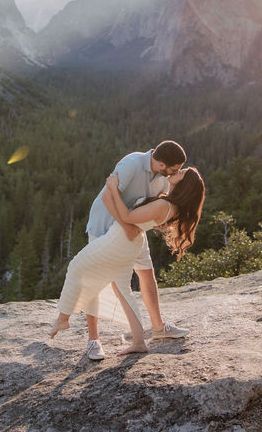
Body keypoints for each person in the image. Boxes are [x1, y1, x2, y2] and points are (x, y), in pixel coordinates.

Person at [50, 166, 205, 358]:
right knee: (123, 290)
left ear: (185, 185)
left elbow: (127, 217)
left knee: (76, 266)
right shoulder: (169, 203)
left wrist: (113, 188)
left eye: (181, 173)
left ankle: (64, 317)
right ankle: (139, 342)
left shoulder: (164, 205)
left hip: (120, 240)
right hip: (130, 243)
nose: (177, 171)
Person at [82, 140, 190, 360]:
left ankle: (158, 327)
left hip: (132, 228)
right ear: (160, 163)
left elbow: (149, 208)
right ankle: (93, 341)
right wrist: (126, 226)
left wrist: (137, 227)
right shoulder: (131, 164)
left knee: (146, 271)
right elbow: (107, 196)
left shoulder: (162, 179)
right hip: (104, 225)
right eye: (174, 169)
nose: (176, 173)